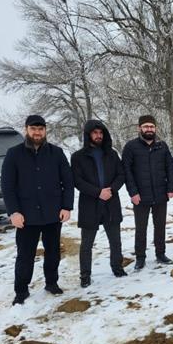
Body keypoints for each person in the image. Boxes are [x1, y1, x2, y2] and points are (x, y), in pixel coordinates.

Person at [1, 115, 74, 305]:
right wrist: (14, 212)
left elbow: (68, 181)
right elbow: (7, 186)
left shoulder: (56, 153)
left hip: (53, 214)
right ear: (26, 129)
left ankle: (51, 283)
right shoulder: (14, 154)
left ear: (45, 130)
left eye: (41, 129)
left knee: (53, 253)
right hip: (26, 216)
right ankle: (21, 290)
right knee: (25, 256)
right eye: (33, 129)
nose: (37, 132)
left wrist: (66, 207)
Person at [71, 120, 126, 288]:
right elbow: (77, 181)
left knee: (115, 240)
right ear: (88, 135)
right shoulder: (78, 157)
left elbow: (121, 175)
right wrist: (98, 192)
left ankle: (117, 268)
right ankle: (85, 276)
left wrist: (112, 190)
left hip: (111, 201)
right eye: (95, 133)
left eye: (101, 133)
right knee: (87, 244)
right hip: (89, 203)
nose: (98, 136)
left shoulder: (112, 154)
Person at [122, 115, 173, 268]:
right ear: (140, 128)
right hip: (140, 195)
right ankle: (140, 257)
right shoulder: (131, 147)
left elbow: (170, 167)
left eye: (151, 126)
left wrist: (171, 188)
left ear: (155, 128)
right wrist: (133, 192)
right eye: (146, 126)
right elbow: (126, 171)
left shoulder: (162, 146)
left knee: (160, 226)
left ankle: (160, 254)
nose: (149, 129)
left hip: (160, 193)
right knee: (141, 228)